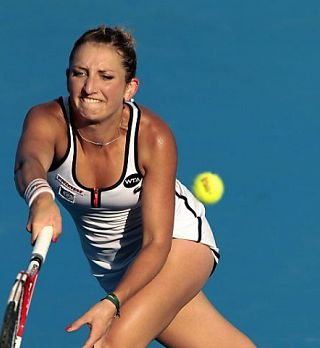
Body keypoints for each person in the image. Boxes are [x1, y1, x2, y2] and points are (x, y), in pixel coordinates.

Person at [14, 25, 255, 348]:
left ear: (130, 88)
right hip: (114, 269)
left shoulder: (153, 137)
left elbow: (157, 242)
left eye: (106, 77)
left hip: (175, 243)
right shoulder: (47, 120)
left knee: (112, 343)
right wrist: (40, 196)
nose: (89, 88)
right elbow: (29, 162)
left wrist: (114, 302)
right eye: (79, 73)